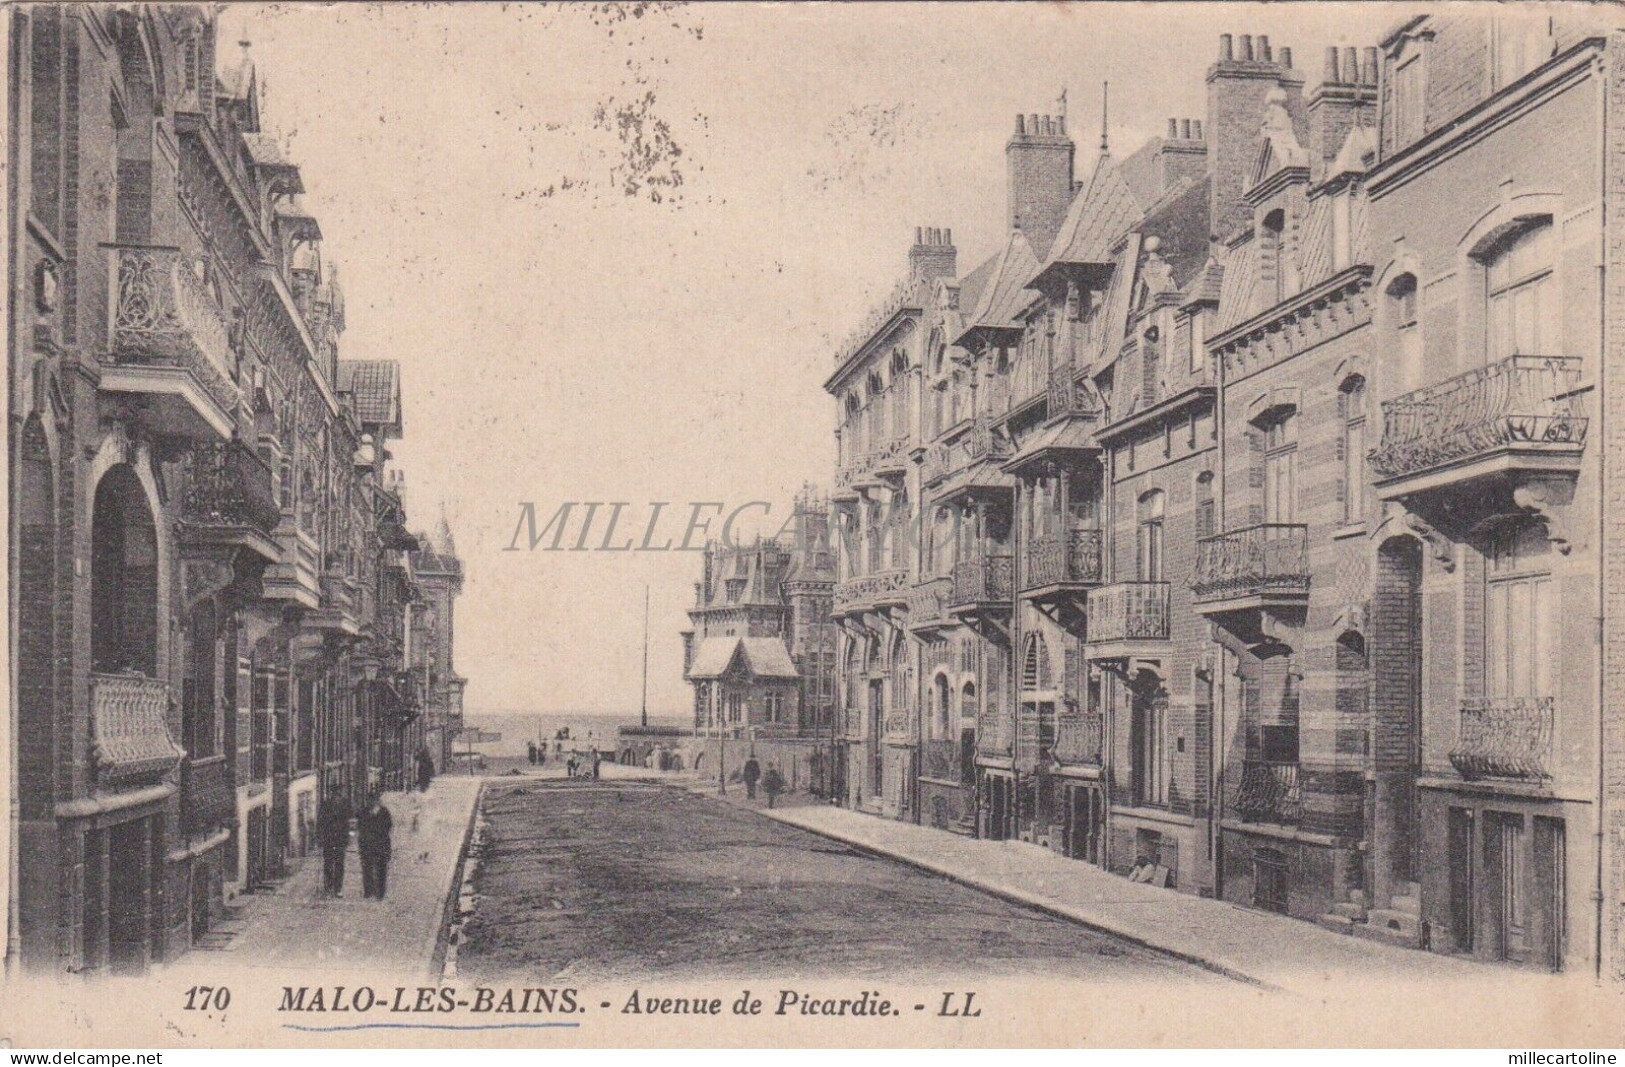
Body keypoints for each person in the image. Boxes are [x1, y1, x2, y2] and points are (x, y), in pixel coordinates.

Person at [357, 793, 394, 900]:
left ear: (377, 801)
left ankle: (380, 893)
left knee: (381, 869)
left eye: (373, 800)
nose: (371, 803)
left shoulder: (384, 812)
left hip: (381, 845)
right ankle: (368, 892)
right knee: (366, 869)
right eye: (369, 801)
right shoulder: (363, 812)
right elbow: (360, 827)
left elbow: (388, 826)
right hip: (366, 845)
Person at [316, 790, 353, 896]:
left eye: (338, 795)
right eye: (334, 795)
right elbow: (320, 822)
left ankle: (338, 888)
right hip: (328, 839)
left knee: (339, 864)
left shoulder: (346, 806)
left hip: (341, 839)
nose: (336, 797)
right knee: (328, 863)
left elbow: (350, 823)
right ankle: (328, 886)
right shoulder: (325, 805)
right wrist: (319, 837)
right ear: (331, 795)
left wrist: (349, 837)